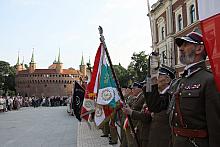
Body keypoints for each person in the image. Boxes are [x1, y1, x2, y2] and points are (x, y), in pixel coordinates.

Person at [169, 30, 220, 147]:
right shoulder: (182, 80)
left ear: (199, 49)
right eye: (180, 46)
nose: (181, 48)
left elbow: (216, 127)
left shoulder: (209, 80)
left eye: (186, 44)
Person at [145, 65, 176, 147]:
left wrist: (152, 83)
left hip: (165, 140)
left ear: (167, 80)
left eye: (159, 76)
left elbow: (153, 106)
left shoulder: (170, 95)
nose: (156, 79)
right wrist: (149, 79)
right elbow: (149, 97)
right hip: (155, 137)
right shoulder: (160, 94)